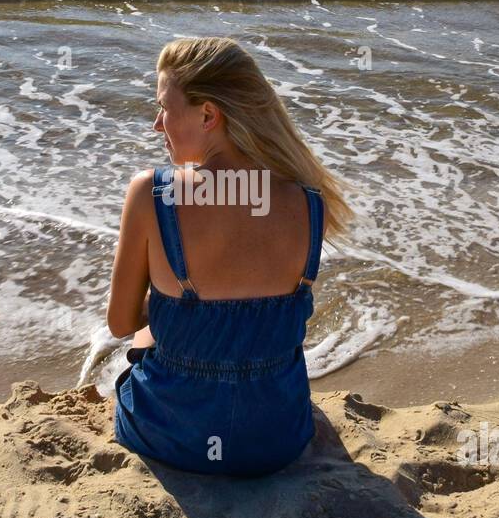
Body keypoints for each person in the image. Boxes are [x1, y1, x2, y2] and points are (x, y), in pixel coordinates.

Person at [107, 36, 352, 477]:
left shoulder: (152, 192)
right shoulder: (310, 200)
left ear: (208, 114)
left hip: (174, 436)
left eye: (165, 107)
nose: (156, 124)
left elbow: (121, 324)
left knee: (149, 334)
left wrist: (165, 301)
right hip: (279, 438)